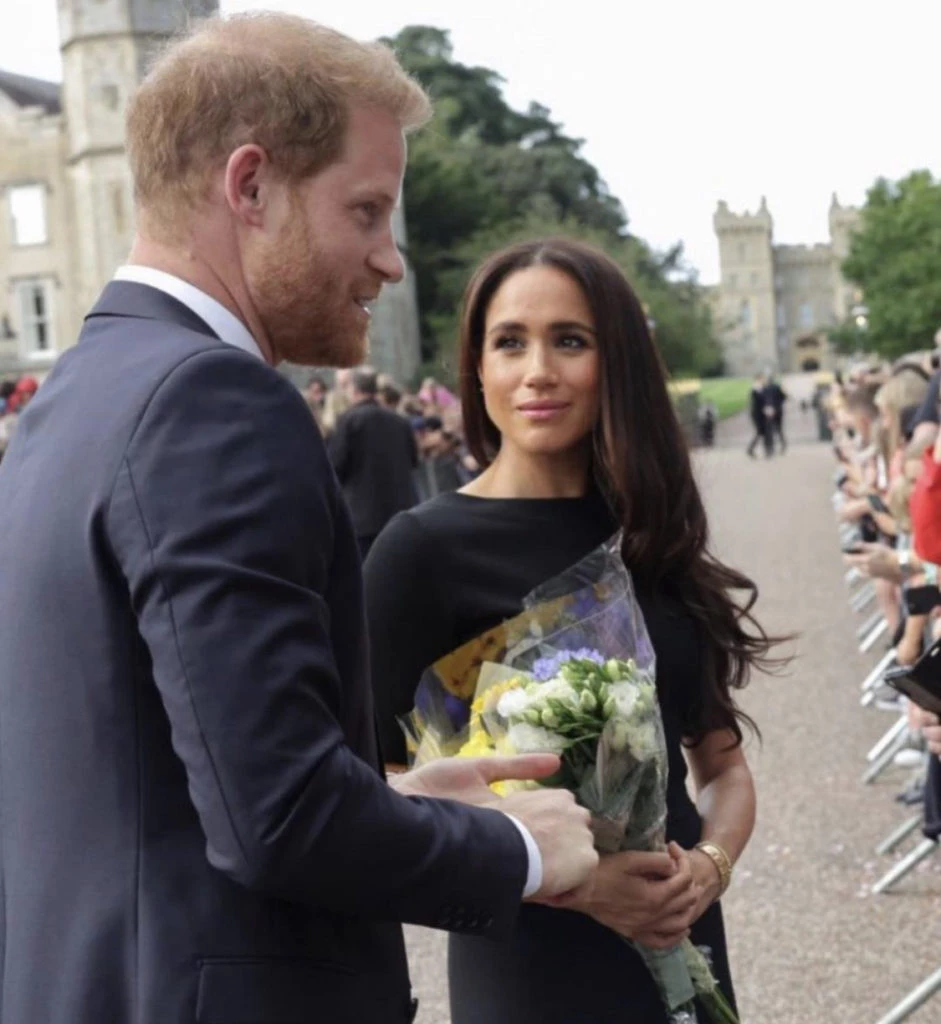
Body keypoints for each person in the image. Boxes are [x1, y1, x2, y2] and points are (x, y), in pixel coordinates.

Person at [0, 19, 600, 1024]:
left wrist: (394, 798)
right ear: (250, 187)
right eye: (365, 210)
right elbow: (276, 817)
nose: (390, 260)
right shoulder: (213, 401)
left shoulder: (70, 402)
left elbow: (137, 779)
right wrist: (526, 849)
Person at [365, 238, 779, 1023]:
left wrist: (709, 867)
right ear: (476, 369)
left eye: (570, 341)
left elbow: (721, 769)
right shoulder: (419, 552)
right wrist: (575, 883)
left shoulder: (652, 535)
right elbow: (373, 790)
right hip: (528, 957)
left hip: (678, 925)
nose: (537, 371)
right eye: (509, 342)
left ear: (613, 362)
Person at [328, 367, 421, 558]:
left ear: (353, 390)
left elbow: (335, 466)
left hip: (363, 518)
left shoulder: (349, 421)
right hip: (401, 513)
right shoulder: (400, 422)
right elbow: (413, 461)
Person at [746, 371, 772, 457]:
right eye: (762, 378)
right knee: (761, 432)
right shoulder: (756, 389)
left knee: (763, 432)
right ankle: (763, 450)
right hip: (758, 414)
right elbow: (759, 401)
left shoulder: (762, 388)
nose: (764, 380)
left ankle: (763, 450)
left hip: (762, 413)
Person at [765, 374, 787, 453]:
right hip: (778, 410)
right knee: (779, 428)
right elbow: (784, 397)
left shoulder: (765, 388)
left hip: (769, 411)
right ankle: (783, 444)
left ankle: (771, 447)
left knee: (770, 429)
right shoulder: (777, 387)